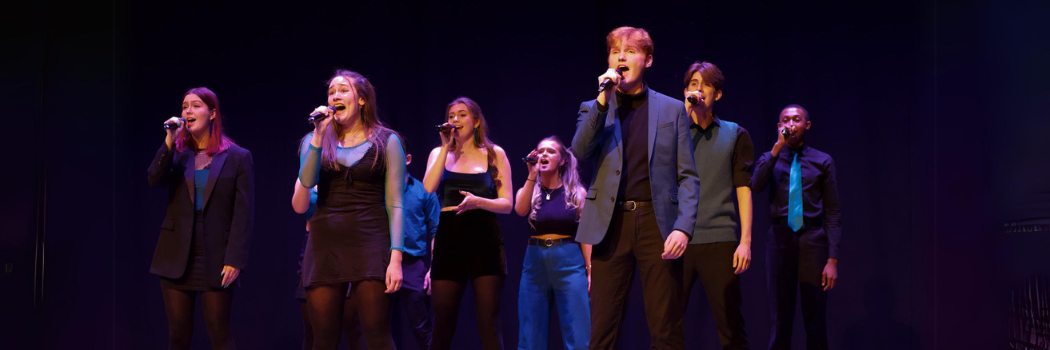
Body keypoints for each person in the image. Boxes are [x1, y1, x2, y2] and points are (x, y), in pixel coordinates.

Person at [571, 26, 700, 349]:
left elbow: (688, 175)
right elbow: (581, 151)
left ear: (648, 60)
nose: (621, 57)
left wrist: (683, 227)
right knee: (602, 329)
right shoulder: (594, 107)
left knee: (665, 327)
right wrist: (604, 99)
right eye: (615, 51)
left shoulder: (671, 109)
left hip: (657, 223)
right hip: (609, 223)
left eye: (629, 51)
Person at [292, 69, 405, 350]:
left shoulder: (386, 141)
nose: (335, 96)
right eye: (331, 92)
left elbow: (396, 203)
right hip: (325, 245)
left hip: (371, 242)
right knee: (324, 339)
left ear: (362, 99)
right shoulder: (313, 140)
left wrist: (396, 258)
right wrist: (319, 136)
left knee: (378, 336)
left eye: (343, 90)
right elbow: (307, 182)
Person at [147, 87, 255, 350]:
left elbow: (244, 213)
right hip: (175, 254)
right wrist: (170, 140)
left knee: (219, 333)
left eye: (196, 106)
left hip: (216, 255)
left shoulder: (237, 157)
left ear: (213, 113)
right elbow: (154, 178)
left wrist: (235, 259)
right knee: (179, 335)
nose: (188, 111)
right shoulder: (177, 154)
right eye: (185, 106)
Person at [423, 97, 513, 350]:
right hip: (449, 239)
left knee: (489, 323)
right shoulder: (438, 154)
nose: (455, 120)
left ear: (475, 121)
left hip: (485, 240)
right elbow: (428, 187)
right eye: (451, 115)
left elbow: (507, 204)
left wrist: (479, 202)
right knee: (442, 324)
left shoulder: (495, 154)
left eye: (462, 115)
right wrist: (444, 147)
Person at [751, 104, 841, 350]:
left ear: (807, 125)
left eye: (797, 119)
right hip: (779, 239)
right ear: (779, 126)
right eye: (785, 120)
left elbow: (833, 211)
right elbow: (756, 185)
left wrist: (832, 259)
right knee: (780, 317)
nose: (791, 124)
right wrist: (776, 148)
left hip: (812, 239)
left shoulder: (823, 161)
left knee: (815, 318)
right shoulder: (770, 157)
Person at [681, 61, 754, 350]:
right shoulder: (672, 133)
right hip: (678, 240)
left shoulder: (735, 134)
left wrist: (745, 242)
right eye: (692, 85)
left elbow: (743, 189)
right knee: (666, 324)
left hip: (720, 239)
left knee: (731, 327)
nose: (698, 90)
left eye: (704, 85)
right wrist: (681, 119)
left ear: (717, 94)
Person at [513, 136, 591, 350]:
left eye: (550, 151)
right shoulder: (530, 190)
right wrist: (531, 175)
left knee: (578, 331)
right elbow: (519, 210)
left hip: (569, 261)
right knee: (531, 333)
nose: (544, 155)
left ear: (563, 160)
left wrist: (589, 269)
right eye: (540, 151)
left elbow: (585, 234)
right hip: (535, 264)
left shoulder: (577, 193)